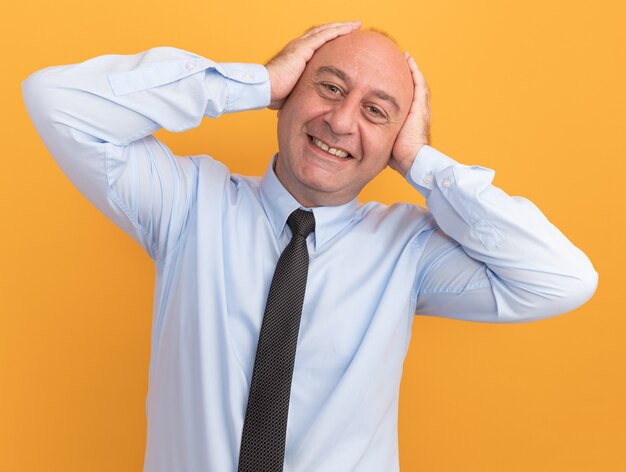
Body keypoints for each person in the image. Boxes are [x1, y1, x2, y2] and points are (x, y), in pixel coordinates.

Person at [22, 21, 597, 472]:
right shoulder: (186, 202)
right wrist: (255, 82)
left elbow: (562, 278)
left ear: (396, 137)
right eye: (328, 87)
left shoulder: (410, 250)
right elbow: (54, 100)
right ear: (291, 91)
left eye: (377, 111)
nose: (342, 121)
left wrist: (421, 162)